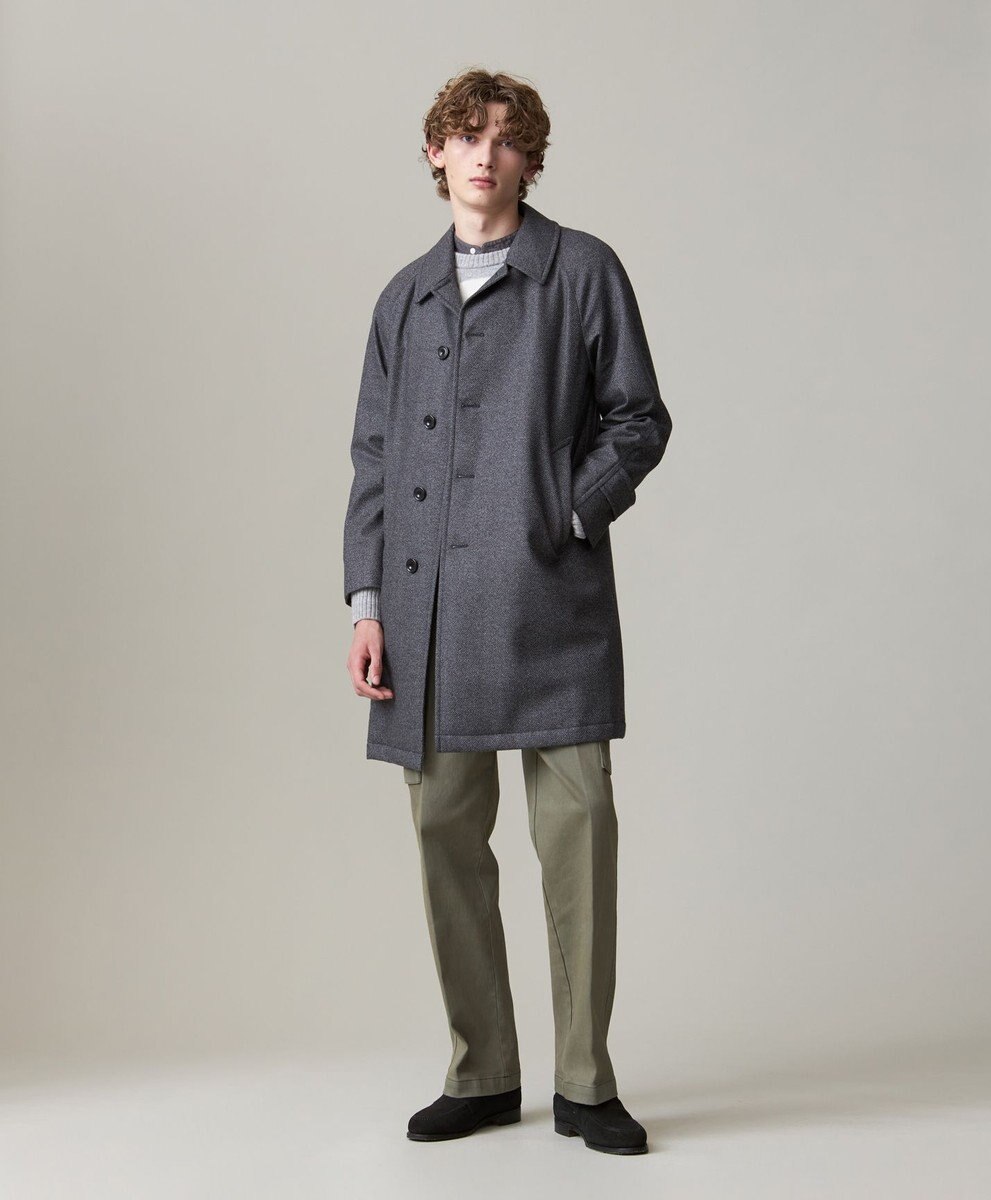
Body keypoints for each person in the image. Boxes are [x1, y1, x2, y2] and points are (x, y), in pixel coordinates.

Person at [343, 68, 671, 1155]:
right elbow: (375, 459)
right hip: (427, 612)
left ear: (531, 158)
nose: (484, 154)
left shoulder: (582, 271)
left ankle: (585, 1083)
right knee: (443, 835)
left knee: (578, 838)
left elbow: (638, 418)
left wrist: (564, 510)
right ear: (435, 153)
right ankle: (481, 1071)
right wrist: (367, 603)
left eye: (506, 137)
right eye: (464, 135)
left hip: (549, 599)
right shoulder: (403, 299)